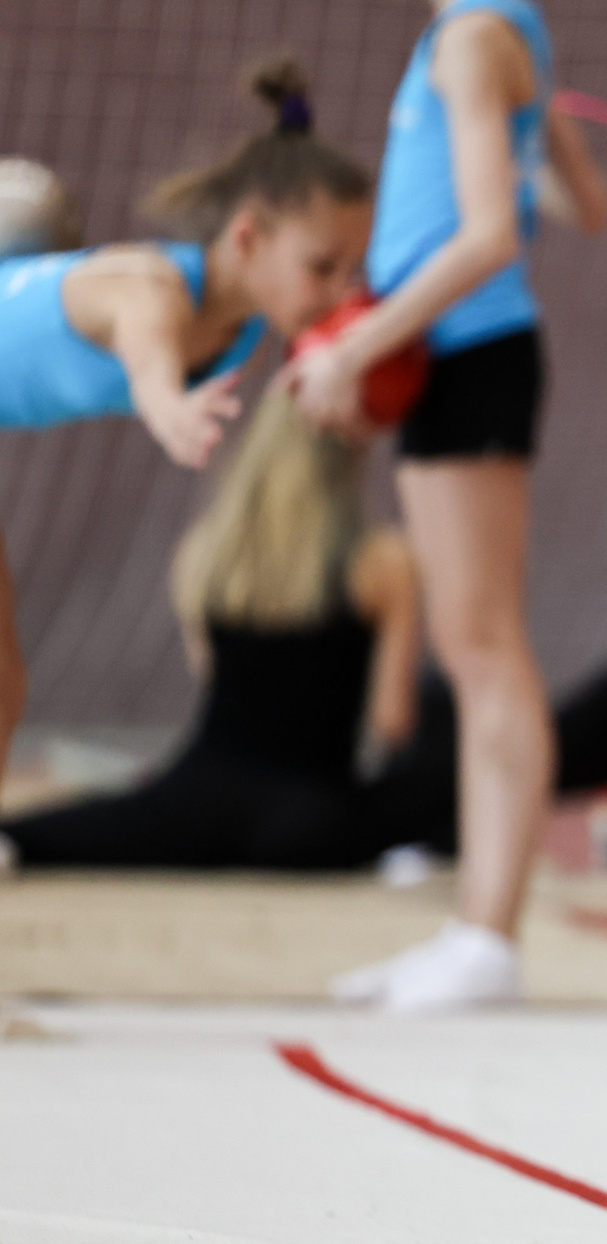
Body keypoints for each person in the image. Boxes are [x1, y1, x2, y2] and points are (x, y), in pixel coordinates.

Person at [0, 386, 607, 917]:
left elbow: (215, 684)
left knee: (78, 828)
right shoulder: (380, 559)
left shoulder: (200, 554)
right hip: (315, 823)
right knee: (469, 740)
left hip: (199, 798)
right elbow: (393, 720)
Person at [297, 0, 607, 1013]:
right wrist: (526, 142)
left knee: (485, 645)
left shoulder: (477, 37)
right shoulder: (501, 34)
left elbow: (485, 239)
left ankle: (490, 938)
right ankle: (474, 928)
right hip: (450, 356)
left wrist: (354, 342)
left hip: (469, 352)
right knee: (467, 639)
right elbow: (589, 202)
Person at [0, 61, 372, 794]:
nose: (339, 291)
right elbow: (150, 366)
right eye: (323, 267)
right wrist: (171, 409)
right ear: (246, 238)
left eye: (350, 270)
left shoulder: (247, 328)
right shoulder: (151, 288)